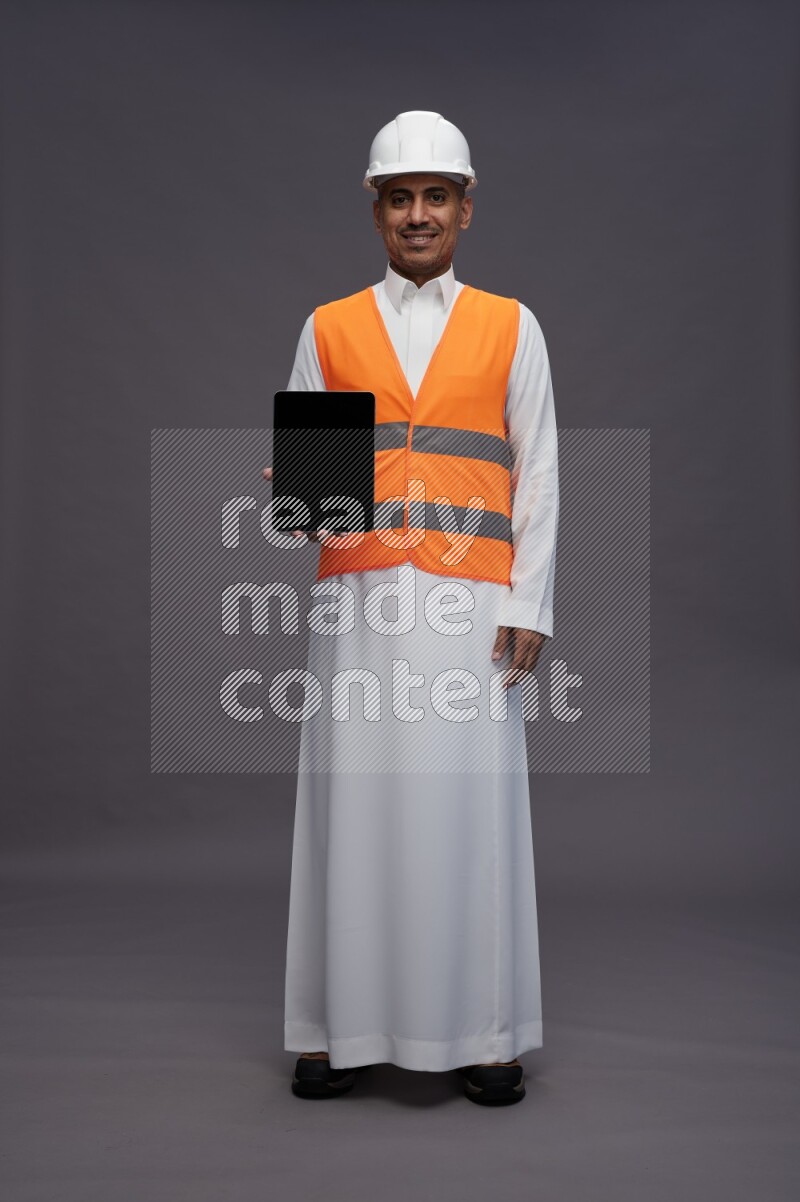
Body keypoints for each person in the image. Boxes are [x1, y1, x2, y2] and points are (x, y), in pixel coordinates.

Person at [264, 110, 559, 1106]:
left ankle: (481, 1033)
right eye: (400, 197)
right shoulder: (328, 325)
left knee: (464, 807)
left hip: (471, 606)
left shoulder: (512, 325)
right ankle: (335, 1027)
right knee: (349, 801)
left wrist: (532, 599)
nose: (418, 213)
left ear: (465, 210)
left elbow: (540, 468)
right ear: (377, 210)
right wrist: (298, 496)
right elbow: (310, 502)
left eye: (436, 196)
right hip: (356, 599)